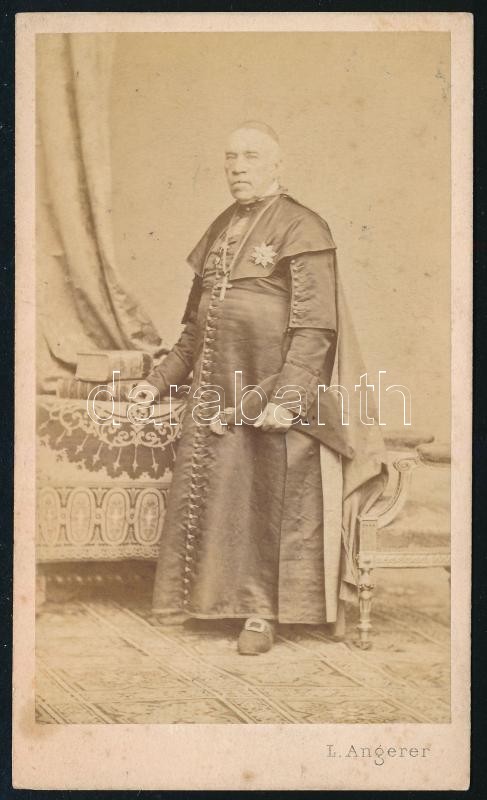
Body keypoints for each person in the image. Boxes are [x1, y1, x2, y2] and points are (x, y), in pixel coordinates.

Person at [134, 121, 388, 654]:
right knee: (219, 497)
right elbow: (195, 329)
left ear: (277, 165)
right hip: (216, 394)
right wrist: (156, 382)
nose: (237, 167)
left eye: (250, 156)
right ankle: (209, 604)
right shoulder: (222, 226)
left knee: (266, 500)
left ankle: (261, 615)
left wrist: (287, 399)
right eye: (230, 157)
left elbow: (316, 329)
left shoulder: (304, 226)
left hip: (272, 395)